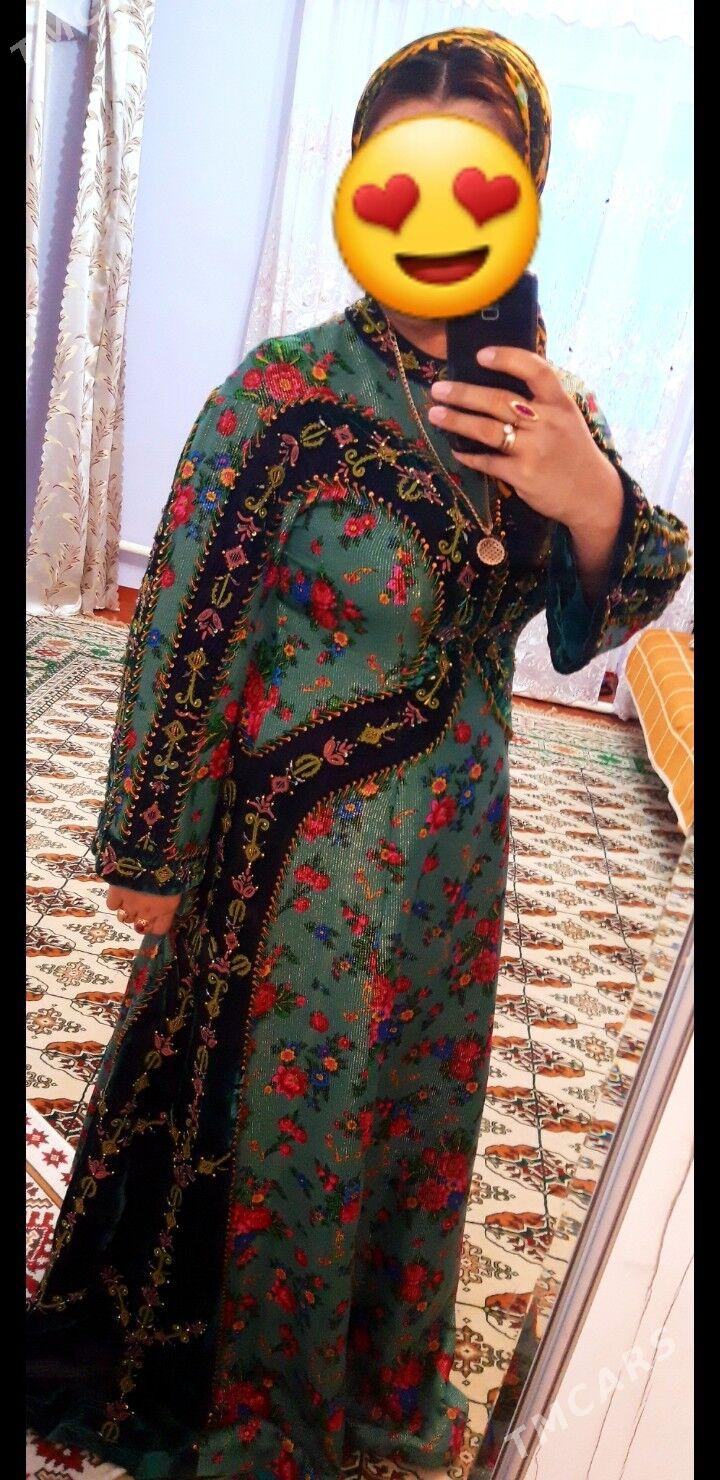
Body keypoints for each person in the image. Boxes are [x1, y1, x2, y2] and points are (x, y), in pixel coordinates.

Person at [26, 27, 690, 1480]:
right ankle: (241, 1408)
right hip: (292, 859)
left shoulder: (548, 406)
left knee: (405, 1101)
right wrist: (149, 844)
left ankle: (364, 1382)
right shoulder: (283, 399)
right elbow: (183, 626)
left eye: (481, 179)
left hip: (455, 844)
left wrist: (587, 494)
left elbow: (608, 601)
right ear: (358, 188)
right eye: (405, 177)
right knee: (288, 1116)